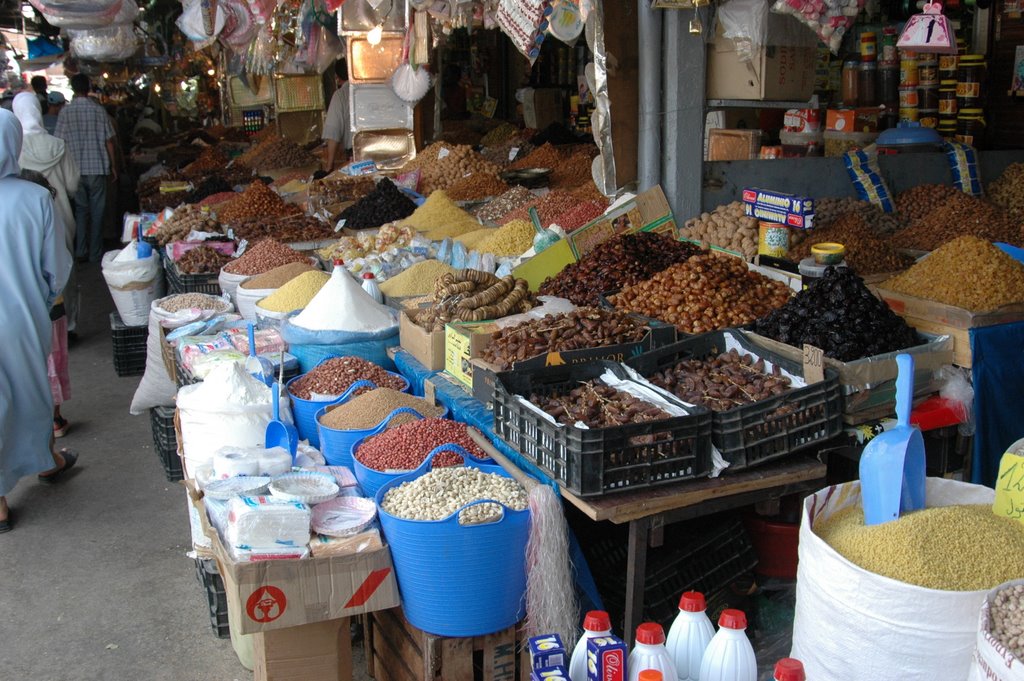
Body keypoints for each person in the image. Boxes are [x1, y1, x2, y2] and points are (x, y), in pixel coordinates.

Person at [0, 108, 77, 534]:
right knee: (31, 391)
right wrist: (45, 297)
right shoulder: (33, 198)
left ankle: (2, 500)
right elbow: (56, 267)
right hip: (21, 316)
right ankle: (47, 461)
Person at [13, 91, 81, 345]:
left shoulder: (14, 149)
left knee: (34, 268)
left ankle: (41, 325)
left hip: (26, 219)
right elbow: (73, 184)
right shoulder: (58, 145)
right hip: (60, 213)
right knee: (64, 267)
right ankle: (69, 324)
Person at [55, 73, 117, 263]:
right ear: (88, 87)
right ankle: (95, 253)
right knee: (98, 212)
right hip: (97, 167)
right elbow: (109, 142)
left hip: (74, 170)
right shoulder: (98, 111)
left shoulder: (65, 112)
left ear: (73, 89)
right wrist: (113, 166)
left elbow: (59, 142)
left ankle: (81, 250)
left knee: (81, 211)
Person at [321, 58, 352, 173]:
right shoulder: (370, 89)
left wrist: (329, 166)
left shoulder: (340, 96)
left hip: (356, 157)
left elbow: (333, 132)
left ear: (338, 78)